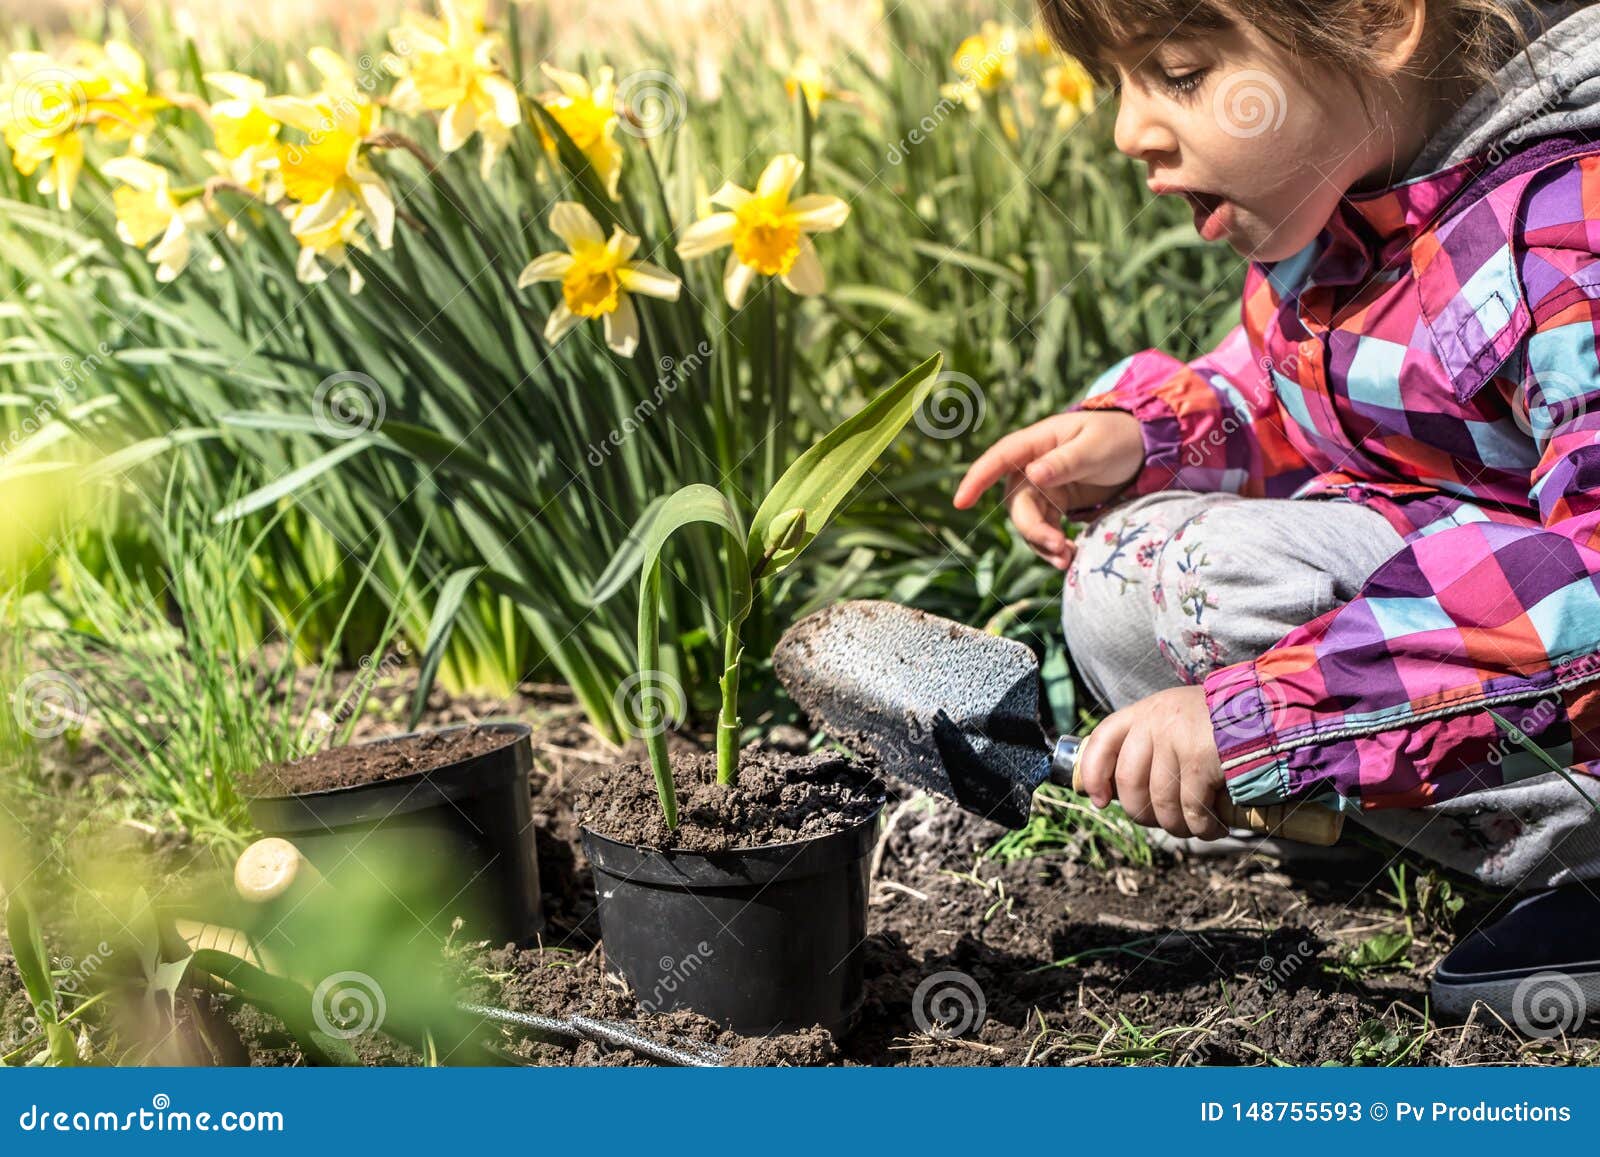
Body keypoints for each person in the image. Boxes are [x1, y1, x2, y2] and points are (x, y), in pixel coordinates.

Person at [954, 0, 1600, 1025]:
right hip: (1491, 670)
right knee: (1132, 577)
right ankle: (1377, 808)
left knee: (1186, 599)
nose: (1128, 134)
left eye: (1177, 73)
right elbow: (1317, 396)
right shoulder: (1355, 193)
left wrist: (1269, 713)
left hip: (1564, 648)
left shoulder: (1568, 231)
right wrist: (1154, 433)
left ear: (1382, 21)